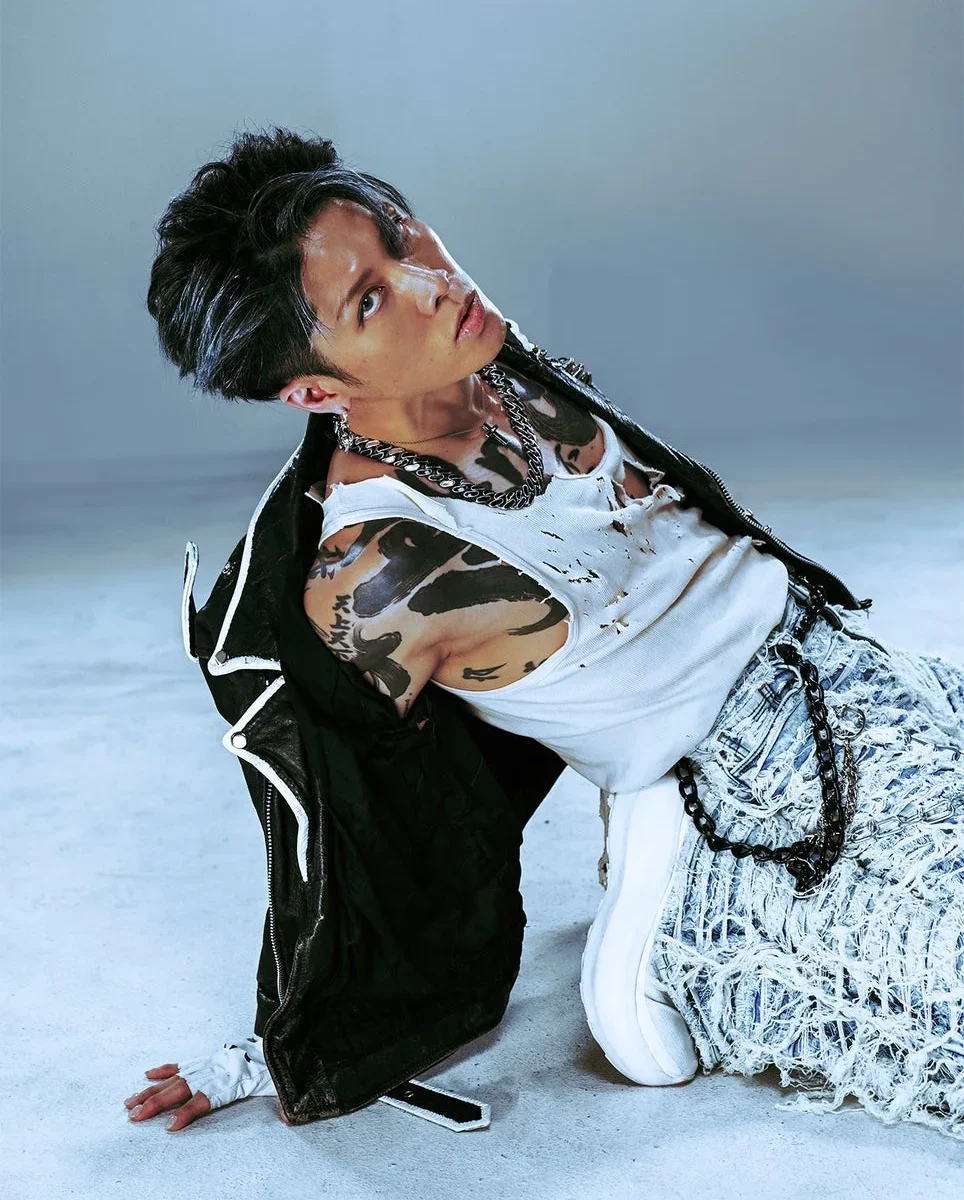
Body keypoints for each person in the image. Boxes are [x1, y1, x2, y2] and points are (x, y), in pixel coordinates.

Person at [125, 128, 963, 1141]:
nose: (434, 280)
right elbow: (353, 836)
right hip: (744, 795)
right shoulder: (378, 575)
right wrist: (273, 1048)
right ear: (313, 390)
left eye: (400, 235)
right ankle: (664, 926)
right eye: (371, 300)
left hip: (849, 680)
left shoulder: (495, 358)